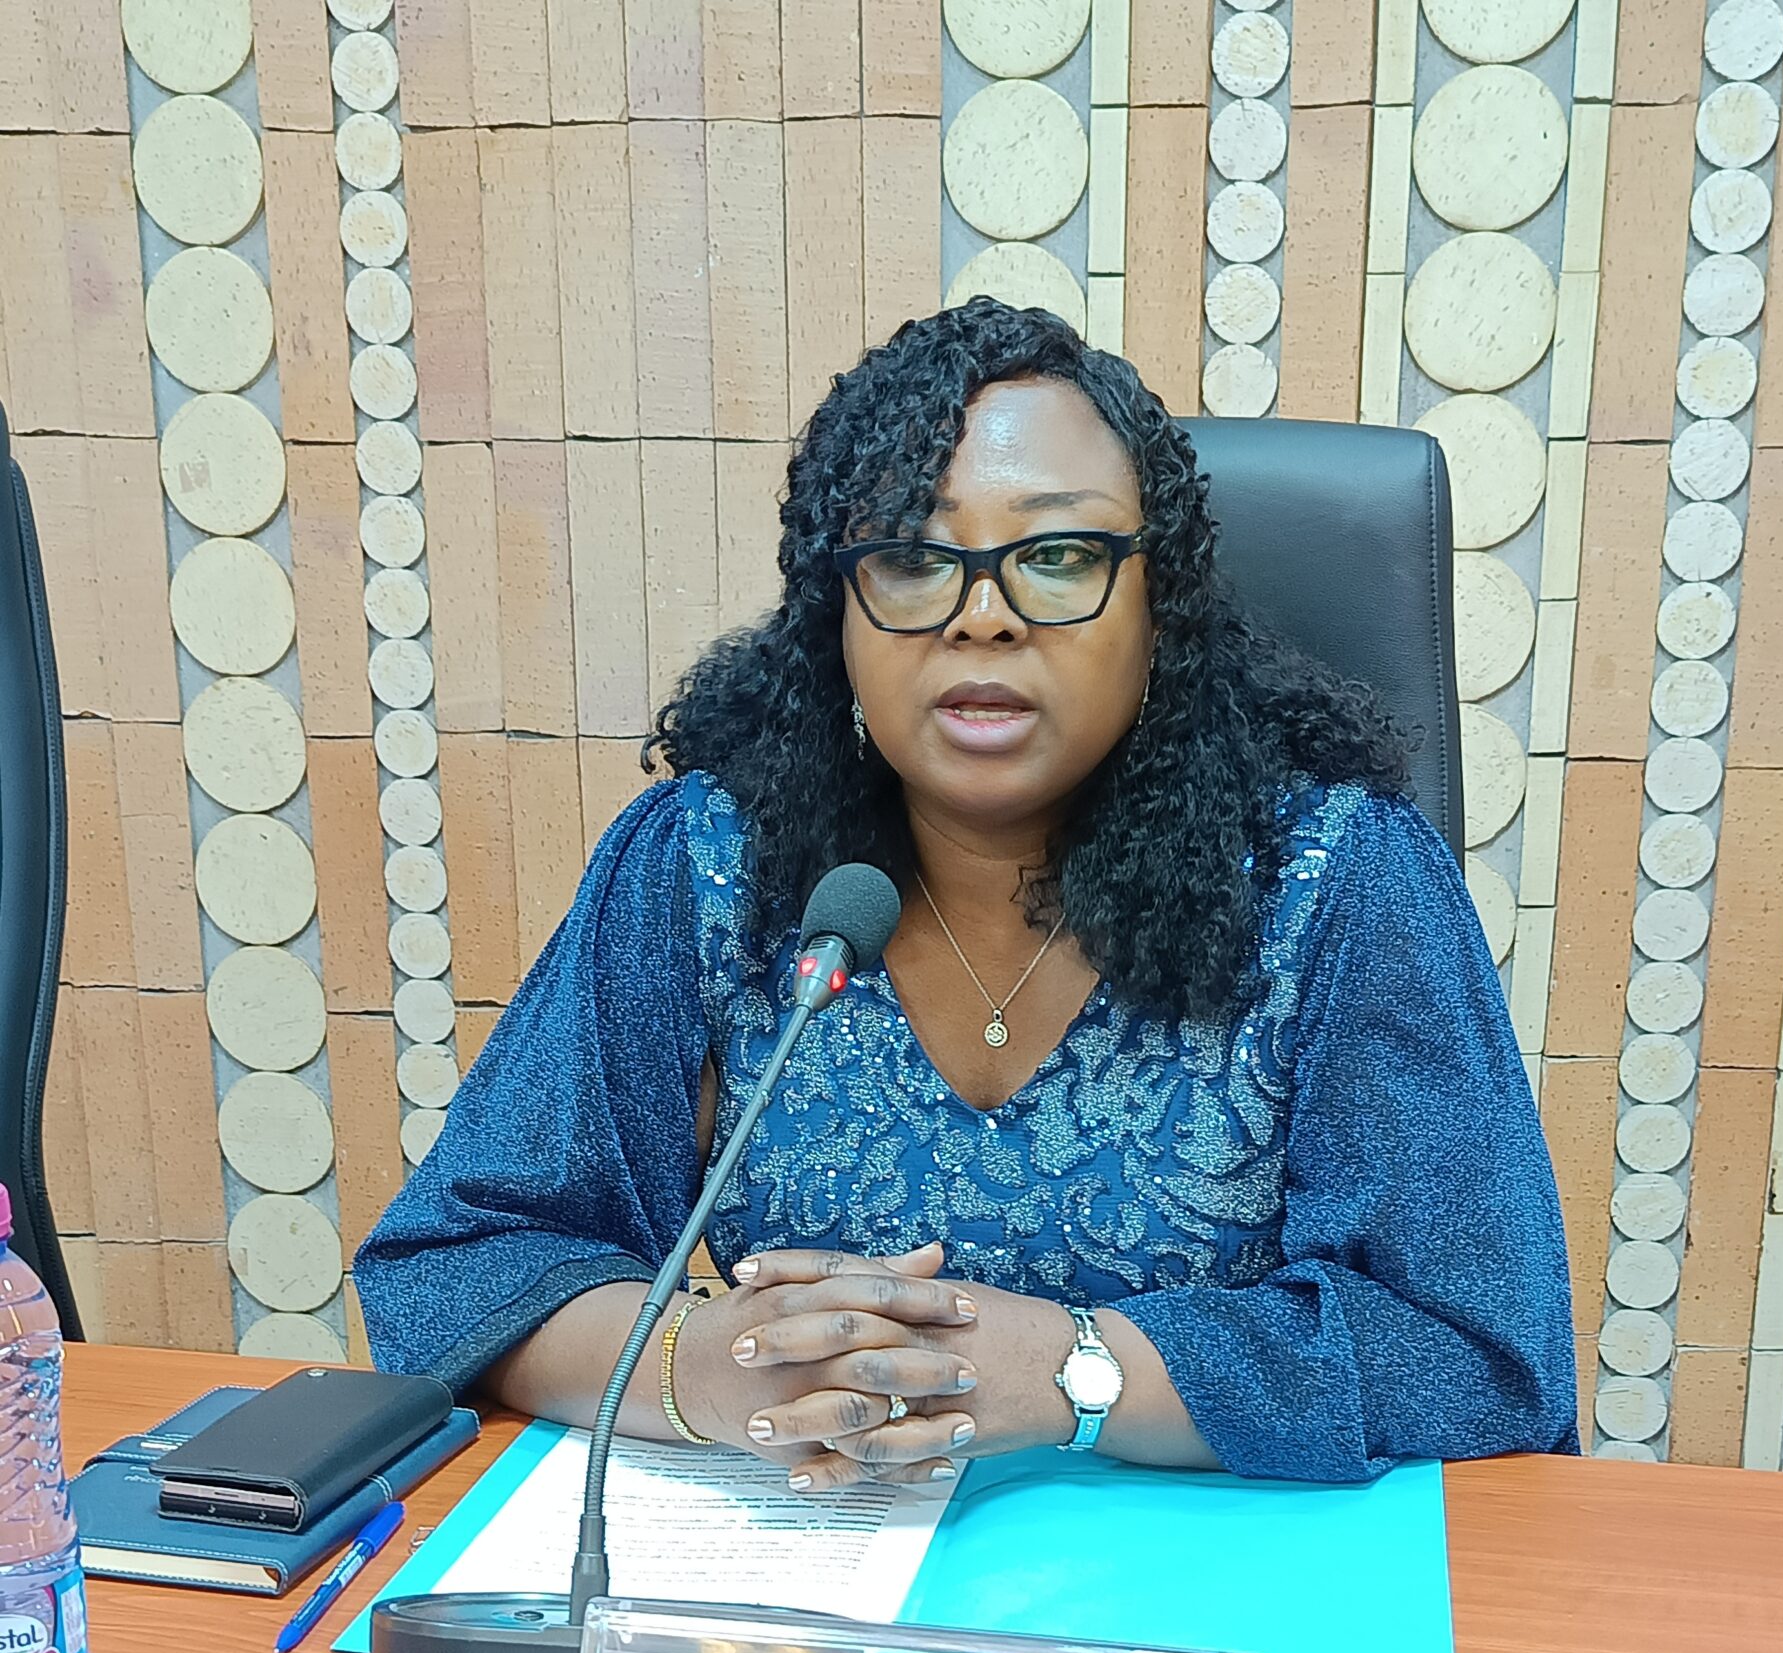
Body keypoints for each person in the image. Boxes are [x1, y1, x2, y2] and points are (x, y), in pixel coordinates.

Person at [354, 299, 1577, 1487]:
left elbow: (1478, 1355)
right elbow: (459, 1270)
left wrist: (1074, 1372)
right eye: (910, 558)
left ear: (1162, 607)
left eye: (1058, 556)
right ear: (836, 612)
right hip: (820, 1564)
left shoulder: (1336, 881)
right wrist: (705, 1370)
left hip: (1218, 1585)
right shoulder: (710, 866)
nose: (981, 618)